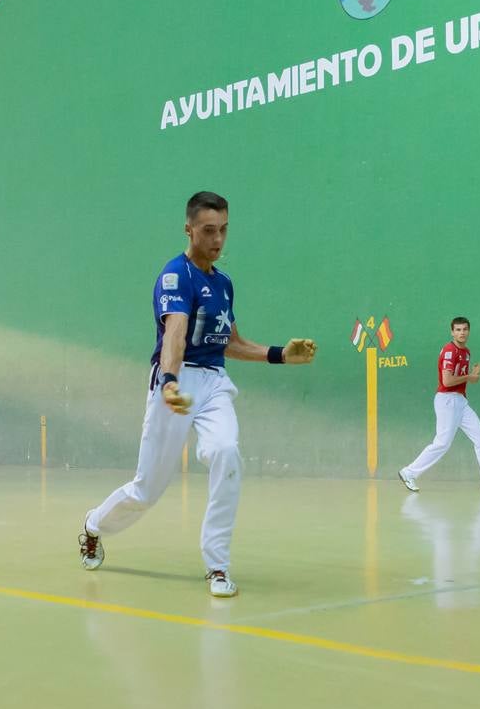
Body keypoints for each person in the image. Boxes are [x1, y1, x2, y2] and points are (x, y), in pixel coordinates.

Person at [76, 192, 317, 597]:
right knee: (147, 488)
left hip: (214, 384)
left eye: (223, 230)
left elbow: (229, 343)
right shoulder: (175, 276)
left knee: (226, 452)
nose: (218, 239)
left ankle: (217, 566)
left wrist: (279, 355)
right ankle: (93, 525)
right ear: (189, 229)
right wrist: (170, 381)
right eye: (208, 231)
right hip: (178, 380)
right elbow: (176, 333)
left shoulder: (223, 283)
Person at [394, 317, 480, 493]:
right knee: (442, 443)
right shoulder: (450, 351)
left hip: (461, 401)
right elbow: (447, 380)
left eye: (465, 329)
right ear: (452, 332)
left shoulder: (466, 353)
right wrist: (469, 377)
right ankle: (408, 472)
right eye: (458, 330)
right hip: (447, 400)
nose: (462, 333)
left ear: (469, 331)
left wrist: (472, 375)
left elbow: (464, 380)